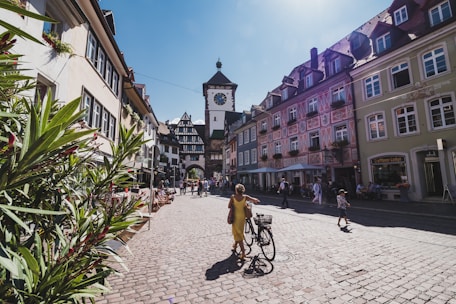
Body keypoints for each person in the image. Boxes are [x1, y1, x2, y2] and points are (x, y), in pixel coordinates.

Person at [228, 183, 260, 260]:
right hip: (242, 217)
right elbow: (253, 199)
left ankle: (243, 253)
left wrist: (234, 205)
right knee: (239, 232)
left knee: (238, 234)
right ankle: (235, 246)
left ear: (236, 190)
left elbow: (229, 206)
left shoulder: (233, 197)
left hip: (235, 217)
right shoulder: (245, 197)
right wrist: (256, 201)